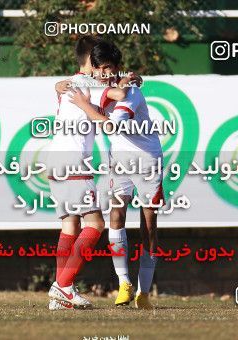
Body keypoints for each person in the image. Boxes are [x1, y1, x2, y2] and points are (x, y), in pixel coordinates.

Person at [68, 40, 163, 309]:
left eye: (108, 68)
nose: (103, 73)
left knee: (149, 224)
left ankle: (144, 291)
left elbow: (110, 126)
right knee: (116, 215)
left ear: (118, 67)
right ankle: (124, 284)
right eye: (99, 69)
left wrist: (85, 105)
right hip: (119, 159)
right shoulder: (102, 85)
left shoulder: (131, 91)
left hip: (147, 159)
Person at [47, 35, 138, 310]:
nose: (105, 71)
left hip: (54, 161)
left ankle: (62, 296)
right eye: (101, 64)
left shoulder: (68, 84)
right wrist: (124, 81)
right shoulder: (91, 85)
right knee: (96, 225)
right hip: (75, 162)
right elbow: (120, 96)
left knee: (70, 225)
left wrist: (118, 78)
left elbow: (61, 89)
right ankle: (62, 286)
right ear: (92, 61)